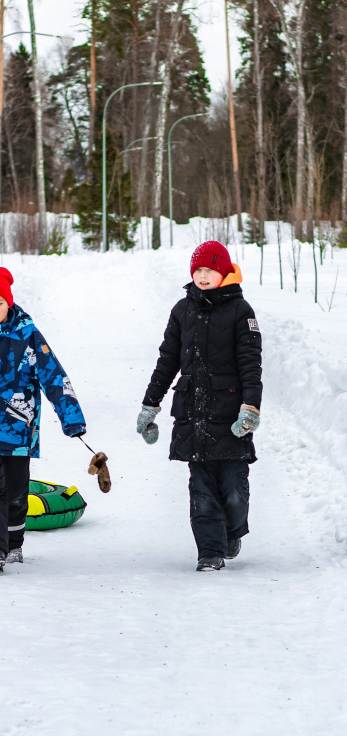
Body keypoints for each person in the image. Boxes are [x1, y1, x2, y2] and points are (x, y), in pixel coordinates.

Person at [137, 241, 262, 571]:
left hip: (230, 414)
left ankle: (232, 532)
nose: (203, 276)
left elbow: (251, 363)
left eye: (210, 270)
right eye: (198, 270)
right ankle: (209, 551)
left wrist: (250, 407)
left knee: (234, 490)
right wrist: (151, 404)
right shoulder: (182, 310)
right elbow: (167, 361)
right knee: (201, 490)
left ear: (224, 273)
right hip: (192, 413)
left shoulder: (241, 312)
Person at [0, 266, 86, 574]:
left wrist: (71, 417)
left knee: (15, 490)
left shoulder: (26, 334)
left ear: (9, 301)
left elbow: (52, 374)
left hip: (18, 428)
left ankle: (13, 543)